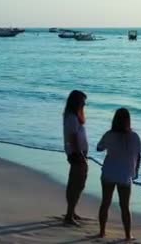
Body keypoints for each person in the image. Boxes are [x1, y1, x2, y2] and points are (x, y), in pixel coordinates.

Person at [97, 108, 141, 240]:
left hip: (109, 172)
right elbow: (139, 156)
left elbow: (99, 148)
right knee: (125, 207)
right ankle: (128, 235)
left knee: (105, 203)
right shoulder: (135, 136)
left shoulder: (109, 134)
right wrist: (135, 172)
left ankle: (102, 231)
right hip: (124, 175)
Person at [62, 90, 88, 226]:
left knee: (76, 182)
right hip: (77, 154)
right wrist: (81, 155)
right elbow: (73, 139)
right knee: (77, 183)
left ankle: (71, 212)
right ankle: (69, 214)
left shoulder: (73, 116)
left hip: (77, 153)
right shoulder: (72, 117)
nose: (84, 103)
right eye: (83, 101)